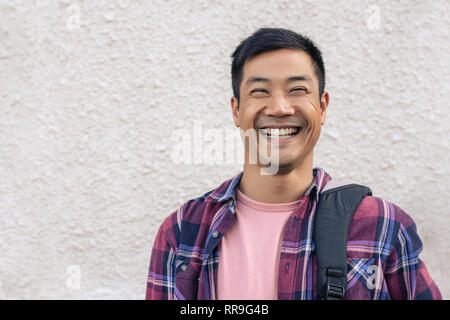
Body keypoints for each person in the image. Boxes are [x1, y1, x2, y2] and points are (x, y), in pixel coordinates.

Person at [145, 27, 442, 300]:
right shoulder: (183, 232)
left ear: (322, 106)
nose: (279, 108)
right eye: (259, 91)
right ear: (236, 111)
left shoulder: (384, 226)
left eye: (297, 90)